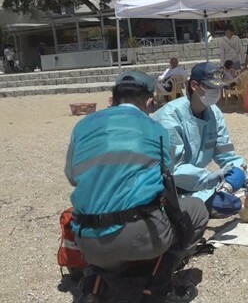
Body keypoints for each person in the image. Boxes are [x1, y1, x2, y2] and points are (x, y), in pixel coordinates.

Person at [65, 70, 208, 302]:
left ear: (112, 100)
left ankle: (103, 281)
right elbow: (165, 179)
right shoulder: (157, 130)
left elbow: (73, 176)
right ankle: (158, 284)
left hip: (90, 242)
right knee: (197, 209)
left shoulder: (82, 126)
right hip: (141, 237)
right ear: (150, 102)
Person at [153, 62, 248, 213]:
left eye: (218, 88)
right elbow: (174, 169)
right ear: (194, 85)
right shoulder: (170, 117)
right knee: (219, 206)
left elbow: (226, 154)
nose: (216, 93)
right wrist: (211, 177)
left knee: (236, 192)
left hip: (197, 181)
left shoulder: (214, 113)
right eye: (211, 88)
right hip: (169, 185)